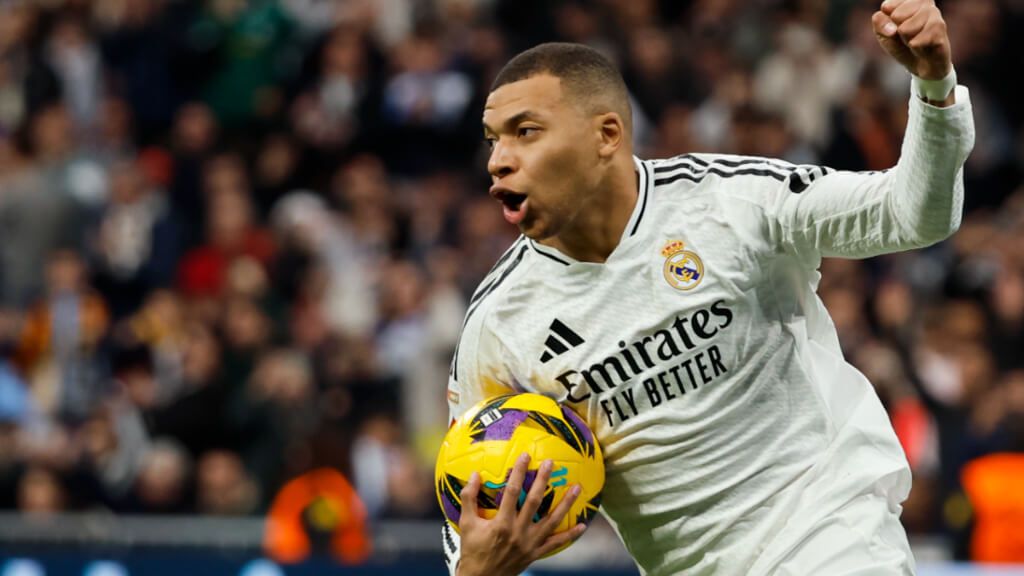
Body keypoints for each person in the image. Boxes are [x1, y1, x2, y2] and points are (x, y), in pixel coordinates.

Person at [442, 0, 974, 574]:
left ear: (607, 135)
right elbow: (463, 500)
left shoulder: (729, 203)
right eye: (493, 139)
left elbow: (914, 214)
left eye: (526, 132)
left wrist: (934, 86)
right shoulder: (500, 320)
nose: (498, 161)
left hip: (829, 531)